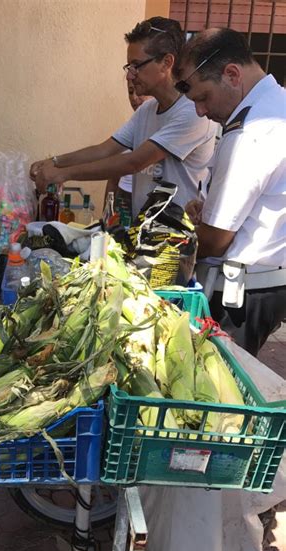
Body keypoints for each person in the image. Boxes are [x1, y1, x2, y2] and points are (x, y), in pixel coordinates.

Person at [30, 17, 217, 221]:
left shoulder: (192, 113)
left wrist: (63, 174)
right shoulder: (147, 110)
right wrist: (54, 162)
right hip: (143, 232)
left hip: (175, 240)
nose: (130, 75)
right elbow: (104, 150)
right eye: (129, 67)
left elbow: (133, 163)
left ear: (166, 63)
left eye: (137, 66)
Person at [176, 28, 286, 356]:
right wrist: (208, 209)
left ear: (232, 74)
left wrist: (189, 228)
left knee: (217, 390)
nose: (200, 111)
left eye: (202, 97)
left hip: (243, 292)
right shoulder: (277, 104)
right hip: (269, 278)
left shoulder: (252, 132)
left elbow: (215, 239)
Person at [105, 80, 152, 214]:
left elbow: (133, 163)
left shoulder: (162, 130)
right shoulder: (127, 130)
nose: (134, 97)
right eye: (131, 92)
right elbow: (113, 179)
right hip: (123, 198)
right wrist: (106, 216)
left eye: (140, 92)